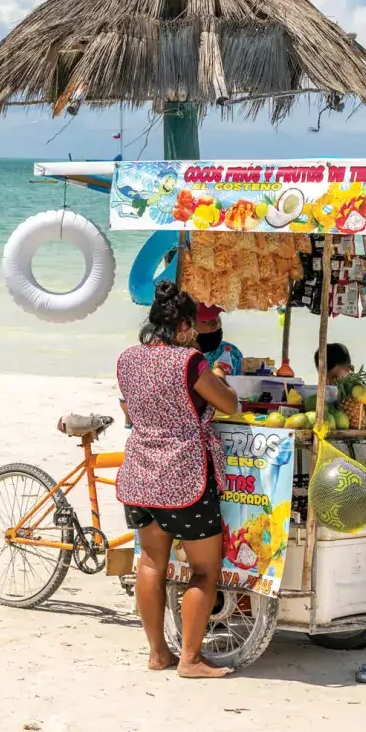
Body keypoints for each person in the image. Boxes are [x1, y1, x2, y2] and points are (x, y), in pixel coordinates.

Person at [116, 281, 239, 679]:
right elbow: (229, 403)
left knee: (151, 562)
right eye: (192, 329)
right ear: (185, 325)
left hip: (140, 473)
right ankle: (190, 659)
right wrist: (218, 377)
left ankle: (157, 654)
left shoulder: (128, 359)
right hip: (184, 474)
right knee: (204, 570)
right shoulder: (189, 361)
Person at [195, 304, 242, 379]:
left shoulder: (232, 352)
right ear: (190, 324)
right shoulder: (182, 355)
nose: (215, 323)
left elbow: (238, 382)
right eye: (205, 320)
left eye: (217, 316)